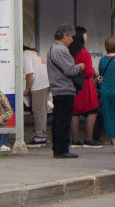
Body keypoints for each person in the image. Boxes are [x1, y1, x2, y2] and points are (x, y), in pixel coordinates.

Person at [47, 24, 84, 157]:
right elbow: (69, 70)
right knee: (63, 120)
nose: (72, 40)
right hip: (64, 89)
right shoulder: (61, 50)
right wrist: (79, 67)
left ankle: (58, 148)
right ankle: (62, 149)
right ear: (65, 36)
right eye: (71, 37)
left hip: (57, 88)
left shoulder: (52, 48)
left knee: (58, 120)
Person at [70, 27, 101, 148]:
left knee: (74, 112)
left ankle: (75, 140)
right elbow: (88, 72)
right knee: (92, 110)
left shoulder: (68, 51)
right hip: (85, 86)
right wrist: (93, 71)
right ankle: (89, 139)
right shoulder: (84, 52)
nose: (86, 36)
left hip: (73, 85)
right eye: (85, 34)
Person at [22, 44, 50, 145]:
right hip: (45, 83)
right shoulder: (33, 53)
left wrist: (27, 89)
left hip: (38, 85)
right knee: (42, 111)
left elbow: (30, 74)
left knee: (38, 112)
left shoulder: (24, 54)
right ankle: (41, 135)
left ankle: (39, 137)